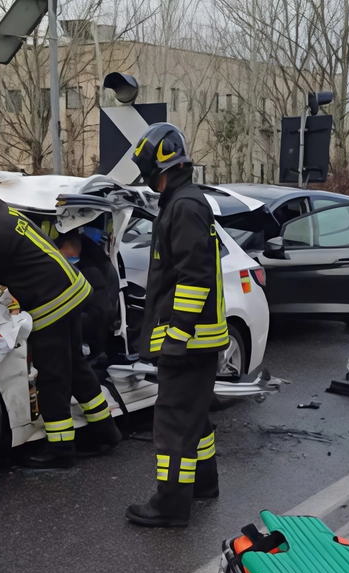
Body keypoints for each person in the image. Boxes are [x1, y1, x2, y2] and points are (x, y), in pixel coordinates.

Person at [0, 167, 122, 467]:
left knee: (52, 378)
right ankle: (106, 433)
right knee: (76, 368)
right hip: (71, 291)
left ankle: (61, 451)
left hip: (51, 303)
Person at [125, 122, 226, 528]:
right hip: (199, 339)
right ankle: (203, 482)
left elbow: (194, 277)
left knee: (171, 424)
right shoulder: (184, 202)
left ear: (160, 165)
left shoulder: (183, 206)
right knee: (194, 417)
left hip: (188, 340)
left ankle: (170, 504)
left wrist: (176, 337)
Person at [55, 227, 118, 364]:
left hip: (84, 343)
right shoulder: (64, 271)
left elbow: (97, 315)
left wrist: (62, 322)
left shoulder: (90, 274)